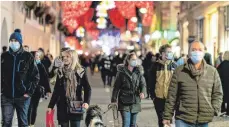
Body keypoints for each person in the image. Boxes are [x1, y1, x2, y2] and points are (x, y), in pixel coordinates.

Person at [163, 41, 223, 127]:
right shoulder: (179, 71)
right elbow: (172, 95)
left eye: (199, 49)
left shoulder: (212, 72)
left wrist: (214, 109)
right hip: (183, 118)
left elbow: (218, 93)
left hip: (203, 119)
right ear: (189, 52)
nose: (197, 52)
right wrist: (167, 116)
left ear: (204, 52)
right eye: (194, 49)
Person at [1, 29, 40, 127]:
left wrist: (29, 92)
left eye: (16, 41)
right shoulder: (4, 56)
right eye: (12, 41)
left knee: (23, 123)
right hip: (6, 96)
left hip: (22, 96)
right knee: (6, 122)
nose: (13, 43)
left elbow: (35, 76)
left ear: (20, 42)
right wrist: (1, 90)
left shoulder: (28, 56)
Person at [47, 49, 91, 127]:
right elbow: (56, 90)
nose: (65, 58)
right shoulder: (60, 71)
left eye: (68, 56)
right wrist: (50, 106)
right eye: (64, 56)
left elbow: (87, 88)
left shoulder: (80, 71)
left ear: (73, 58)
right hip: (62, 105)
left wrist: (86, 102)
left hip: (76, 104)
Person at [111, 52, 146, 127]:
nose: (135, 61)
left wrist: (143, 92)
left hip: (135, 101)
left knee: (132, 124)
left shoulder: (138, 72)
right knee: (126, 123)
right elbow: (116, 87)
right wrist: (114, 100)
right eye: (133, 59)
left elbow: (143, 84)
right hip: (124, 101)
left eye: (135, 59)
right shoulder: (121, 73)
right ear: (128, 60)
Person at [148, 44, 177, 127]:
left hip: (171, 99)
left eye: (171, 52)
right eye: (169, 52)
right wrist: (153, 97)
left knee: (169, 121)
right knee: (161, 121)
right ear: (163, 54)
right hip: (159, 99)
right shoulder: (155, 66)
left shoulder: (175, 66)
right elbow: (151, 82)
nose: (170, 53)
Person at [28, 51, 51, 126]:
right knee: (29, 107)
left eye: (38, 55)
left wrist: (48, 90)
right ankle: (28, 123)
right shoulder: (28, 65)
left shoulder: (40, 65)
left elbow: (45, 78)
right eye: (36, 55)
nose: (38, 57)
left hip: (38, 90)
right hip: (29, 89)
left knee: (34, 107)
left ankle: (32, 124)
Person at [217, 51, 229, 116]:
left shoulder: (222, 64)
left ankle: (223, 110)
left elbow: (217, 73)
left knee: (222, 97)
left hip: (222, 83)